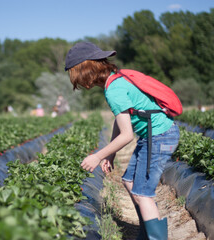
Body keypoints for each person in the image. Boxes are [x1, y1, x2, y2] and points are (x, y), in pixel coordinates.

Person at [64, 42, 180, 240]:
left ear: (86, 70)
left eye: (75, 75)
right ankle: (145, 234)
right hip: (152, 136)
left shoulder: (114, 91)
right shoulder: (115, 81)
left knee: (143, 194)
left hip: (160, 136)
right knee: (129, 181)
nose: (77, 82)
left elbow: (126, 135)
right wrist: (110, 154)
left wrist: (97, 156)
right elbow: (121, 122)